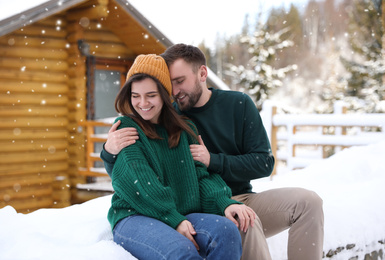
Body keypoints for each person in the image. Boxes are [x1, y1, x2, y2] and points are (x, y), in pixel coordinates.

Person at [102, 45, 324, 260]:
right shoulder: (163, 114)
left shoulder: (233, 106)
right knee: (245, 222)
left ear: (202, 73)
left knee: (308, 202)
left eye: (180, 82)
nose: (176, 92)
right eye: (170, 86)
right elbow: (133, 175)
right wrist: (109, 152)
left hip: (228, 196)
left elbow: (263, 163)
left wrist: (213, 161)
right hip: (199, 203)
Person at [106, 54, 255, 260]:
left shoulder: (185, 129)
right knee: (181, 251)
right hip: (135, 215)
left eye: (151, 95)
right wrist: (174, 219)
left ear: (165, 95)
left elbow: (201, 176)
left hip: (179, 212)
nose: (142, 103)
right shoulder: (127, 128)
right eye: (135, 96)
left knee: (227, 232)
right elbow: (140, 184)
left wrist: (224, 202)